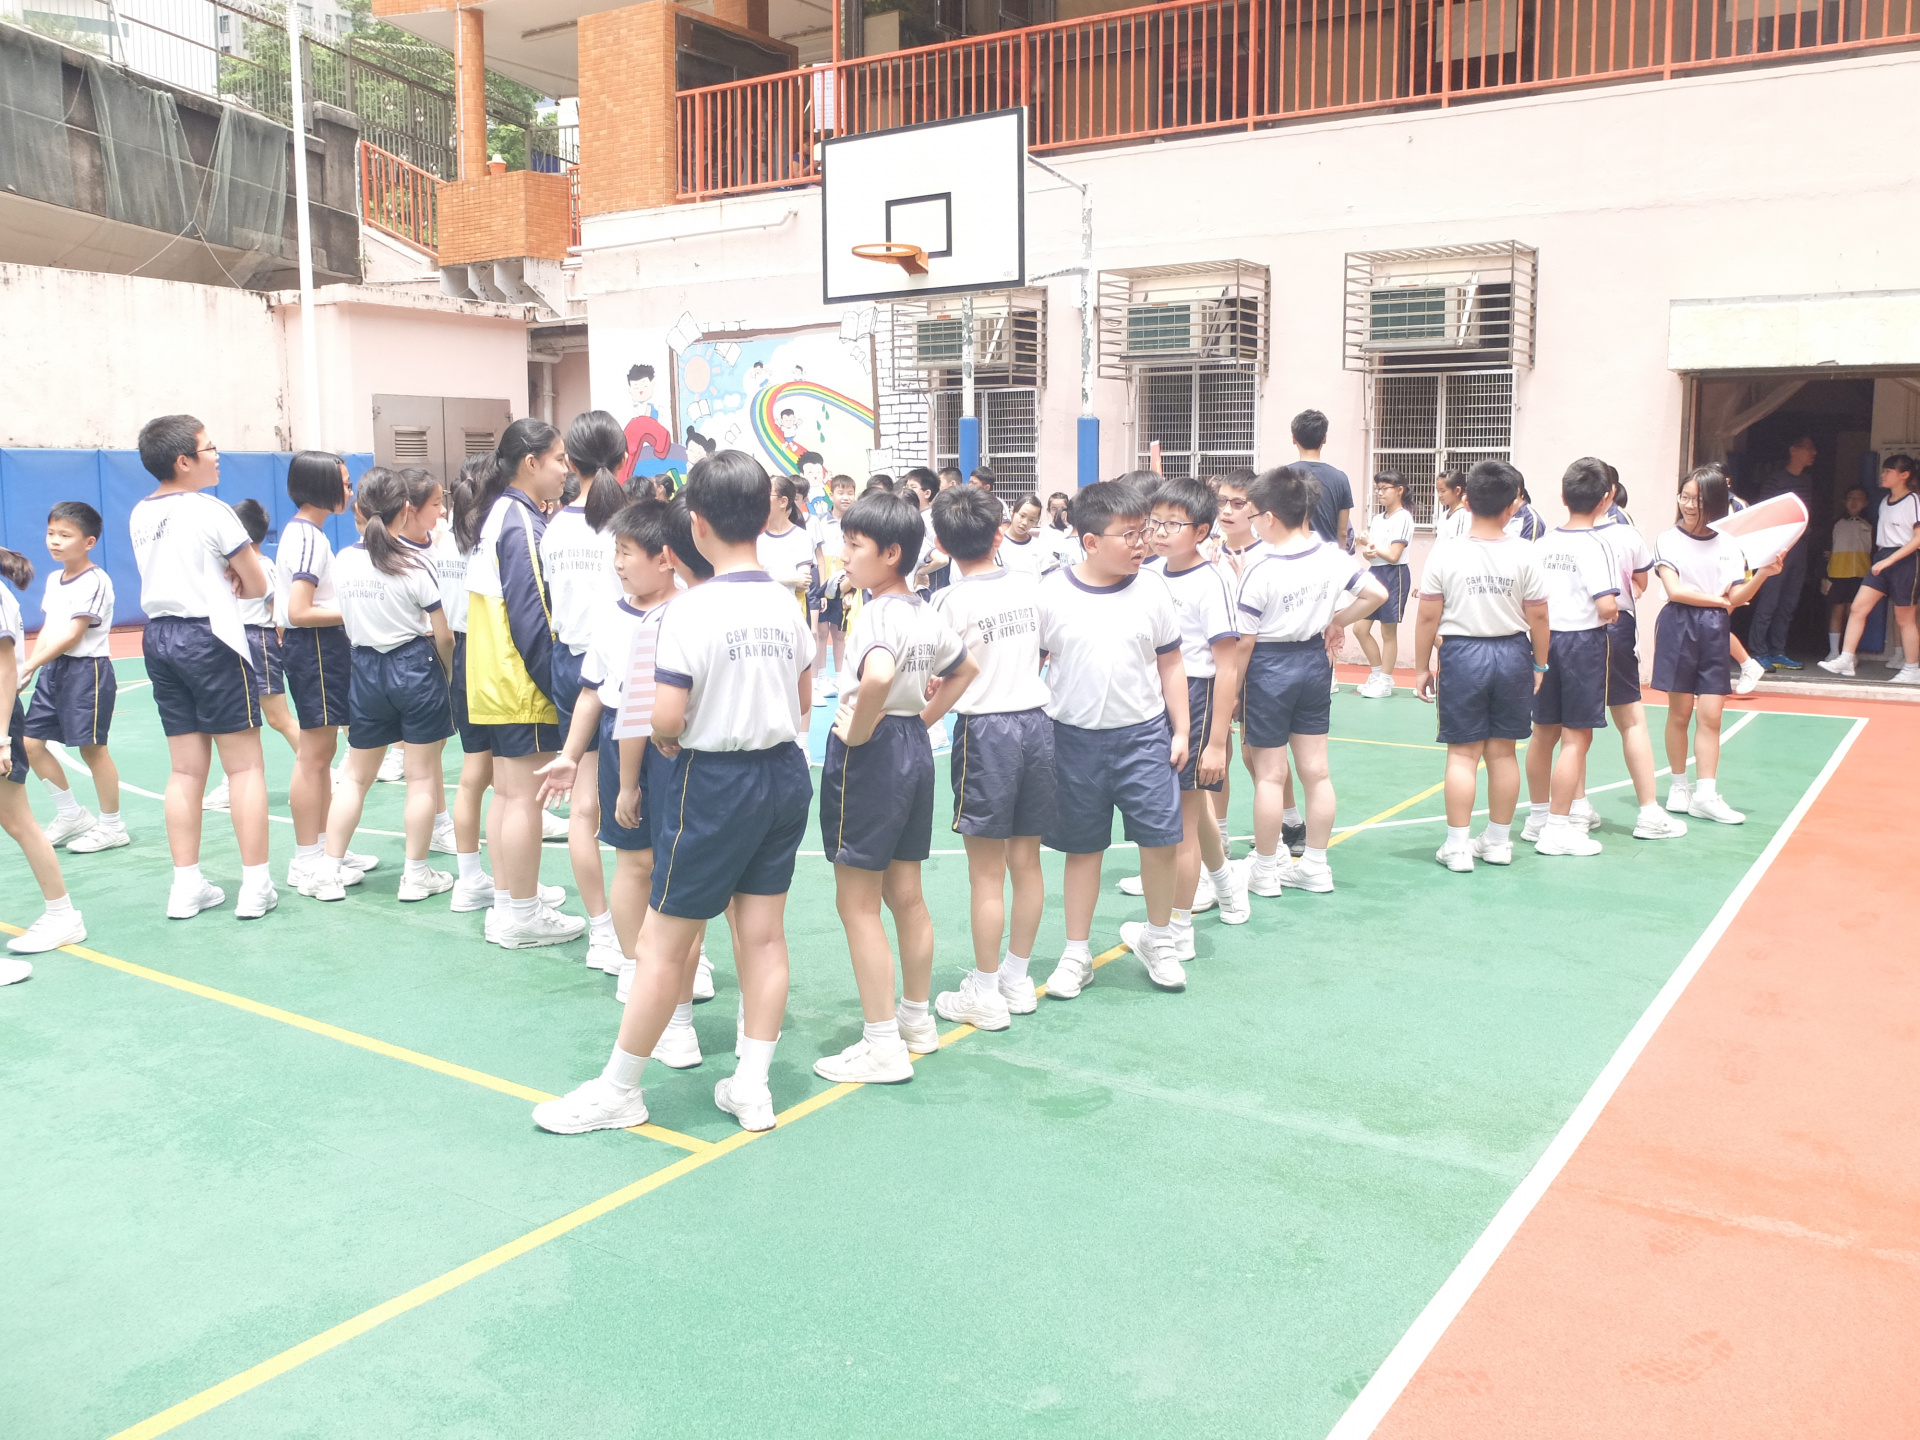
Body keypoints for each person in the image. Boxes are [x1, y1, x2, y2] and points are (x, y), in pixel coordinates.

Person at [532, 450, 815, 1137]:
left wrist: (666, 739)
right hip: (783, 775)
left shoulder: (688, 612)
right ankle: (752, 1085)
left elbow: (663, 715)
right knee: (763, 937)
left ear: (698, 524)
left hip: (713, 781)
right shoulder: (785, 602)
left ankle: (619, 1090)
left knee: (661, 943)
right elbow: (805, 698)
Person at [813, 492, 977, 1084]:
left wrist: (859, 731)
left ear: (890, 553)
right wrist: (921, 721)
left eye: (854, 545)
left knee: (856, 903)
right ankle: (915, 1019)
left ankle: (882, 1043)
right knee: (906, 894)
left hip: (873, 753)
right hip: (911, 746)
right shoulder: (924, 611)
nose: (844, 555)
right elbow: (964, 669)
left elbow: (878, 675)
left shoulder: (877, 613)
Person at [535, 499, 693, 1020]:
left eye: (626, 553)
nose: (617, 564)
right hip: (620, 741)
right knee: (634, 860)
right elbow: (592, 693)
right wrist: (569, 755)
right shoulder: (610, 615)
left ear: (665, 558)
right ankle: (633, 961)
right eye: (616, 552)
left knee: (681, 862)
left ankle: (686, 960)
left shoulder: (691, 611)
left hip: (677, 745)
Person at [1036, 481, 1189, 996]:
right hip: (1072, 740)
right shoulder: (1051, 592)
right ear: (1090, 542)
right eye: (1129, 534)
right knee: (1082, 848)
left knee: (1160, 841)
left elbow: (1171, 662)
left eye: (1144, 531)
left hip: (1144, 737)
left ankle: (1159, 938)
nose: (1142, 542)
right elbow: (1033, 663)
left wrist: (1181, 730)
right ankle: (1076, 953)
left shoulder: (1153, 589)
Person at [129, 414, 276, 919]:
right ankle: (255, 886)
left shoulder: (140, 513)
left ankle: (186, 886)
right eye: (209, 448)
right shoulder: (211, 510)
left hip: (159, 638)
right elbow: (257, 585)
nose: (217, 456)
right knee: (245, 766)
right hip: (210, 637)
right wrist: (234, 575)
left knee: (185, 770)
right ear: (184, 461)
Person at [929, 486, 1056, 1029]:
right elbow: (1046, 646)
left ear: (940, 544)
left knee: (986, 873)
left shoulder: (949, 601)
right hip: (1037, 724)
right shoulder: (1031, 585)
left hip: (985, 732)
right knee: (1026, 863)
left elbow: (935, 672)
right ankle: (1017, 978)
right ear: (1000, 533)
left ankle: (984, 991)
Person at [459, 417, 587, 948]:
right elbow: (532, 614)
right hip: (519, 680)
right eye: (559, 459)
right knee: (522, 800)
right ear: (531, 463)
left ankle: (510, 900)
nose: (566, 470)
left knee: (508, 796)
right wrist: (558, 689)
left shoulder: (503, 514)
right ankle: (522, 915)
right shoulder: (520, 523)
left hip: (493, 676)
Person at [300, 467, 455, 903]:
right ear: (405, 509)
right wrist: (445, 675)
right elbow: (443, 635)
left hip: (365, 669)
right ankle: (415, 875)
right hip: (415, 666)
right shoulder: (416, 562)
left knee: (354, 777)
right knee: (421, 778)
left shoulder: (344, 560)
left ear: (359, 510)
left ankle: (328, 871)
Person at [1232, 467, 1385, 896]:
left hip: (1268, 665)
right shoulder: (1332, 556)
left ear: (1269, 518)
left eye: (1253, 515)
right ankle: (1315, 866)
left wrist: (1233, 692)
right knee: (1317, 772)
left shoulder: (1260, 565)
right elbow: (1376, 594)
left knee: (1269, 775)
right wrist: (1338, 621)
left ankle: (1265, 871)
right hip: (1314, 663)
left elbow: (1244, 643)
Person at [1411, 460, 1551, 874]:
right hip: (1512, 654)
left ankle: (1457, 847)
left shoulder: (1446, 551)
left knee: (1462, 754)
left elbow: (1427, 616)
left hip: (1463, 654)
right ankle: (1498, 842)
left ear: (1467, 501)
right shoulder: (1526, 552)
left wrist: (1420, 667)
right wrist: (1540, 664)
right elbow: (1540, 616)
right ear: (1513, 506)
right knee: (1503, 753)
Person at [1138, 477, 1249, 953]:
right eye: (1155, 522)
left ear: (1202, 531)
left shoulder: (1212, 581)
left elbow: (1228, 665)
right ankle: (1224, 881)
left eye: (1173, 524)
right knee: (1192, 805)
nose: (1160, 532)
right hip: (1153, 699)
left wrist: (1218, 742)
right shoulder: (1149, 574)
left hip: (1196, 697)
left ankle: (1178, 929)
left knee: (1180, 820)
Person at [539, 412, 628, 971]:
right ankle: (645, 935)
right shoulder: (632, 525)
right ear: (624, 458)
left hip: (572, 666)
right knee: (644, 807)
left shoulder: (553, 530)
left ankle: (602, 932)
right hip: (627, 670)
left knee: (583, 810)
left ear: (569, 461)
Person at [1653, 466, 1782, 824]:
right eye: (1684, 497)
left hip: (1714, 628)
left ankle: (1706, 795)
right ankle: (1679, 786)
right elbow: (1675, 590)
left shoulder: (1729, 544)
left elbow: (1736, 596)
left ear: (1714, 502)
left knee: (1711, 714)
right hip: (1679, 624)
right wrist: (1719, 602)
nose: (1688, 505)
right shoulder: (1668, 539)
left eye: (1696, 499)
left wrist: (1764, 574)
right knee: (1679, 713)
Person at [1519, 459, 1621, 858]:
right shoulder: (1598, 545)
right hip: (1582, 644)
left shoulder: (1542, 544)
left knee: (1543, 733)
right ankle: (1558, 828)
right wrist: (1612, 613)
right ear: (1607, 498)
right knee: (1576, 738)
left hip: (1543, 641)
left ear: (1563, 496)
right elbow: (1607, 604)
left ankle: (1537, 818)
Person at [1584, 467, 1689, 841]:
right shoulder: (1626, 534)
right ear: (1610, 493)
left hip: (1569, 634)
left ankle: (1573, 810)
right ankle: (1648, 813)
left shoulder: (1554, 539)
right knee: (1631, 721)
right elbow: (1641, 582)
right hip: (1615, 626)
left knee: (1573, 727)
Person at [17, 501, 123, 853]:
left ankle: (112, 826)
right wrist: (32, 666)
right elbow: (50, 628)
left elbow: (73, 635)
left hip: (87, 672)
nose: (55, 541)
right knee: (30, 744)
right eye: (51, 533)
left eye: (65, 535)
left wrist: (29, 665)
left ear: (89, 542)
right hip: (55, 670)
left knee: (92, 750)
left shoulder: (95, 581)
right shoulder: (54, 579)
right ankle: (71, 815)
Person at [1819, 454, 1920, 684]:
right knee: (1858, 608)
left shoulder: (1913, 500)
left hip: (1905, 559)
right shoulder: (1885, 501)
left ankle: (1912, 668)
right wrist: (1882, 559)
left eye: (1888, 471)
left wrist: (1890, 560)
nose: (1883, 475)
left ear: (1904, 475)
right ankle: (1846, 658)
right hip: (1883, 557)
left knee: (1905, 617)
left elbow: (1917, 538)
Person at [1745, 434, 1818, 670]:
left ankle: (1778, 651)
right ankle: (1758, 652)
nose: (1814, 453)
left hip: (1800, 546)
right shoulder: (1775, 480)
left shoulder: (1807, 480)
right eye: (1808, 448)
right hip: (1777, 548)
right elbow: (1764, 514)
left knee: (1788, 603)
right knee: (1769, 600)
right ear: (1793, 450)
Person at [1353, 471, 1414, 699]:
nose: (1380, 493)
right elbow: (1373, 554)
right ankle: (1377, 674)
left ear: (1399, 490)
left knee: (1388, 632)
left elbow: (1394, 555)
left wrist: (1370, 543)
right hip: (1375, 573)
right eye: (1378, 488)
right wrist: (1367, 550)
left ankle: (1386, 681)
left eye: (1384, 488)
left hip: (1394, 575)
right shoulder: (1378, 519)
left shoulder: (1403, 518)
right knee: (1359, 628)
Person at [810, 473, 857, 697]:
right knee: (821, 631)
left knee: (839, 632)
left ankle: (840, 677)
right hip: (824, 581)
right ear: (831, 495)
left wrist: (851, 587)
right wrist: (820, 587)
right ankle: (821, 678)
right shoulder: (819, 522)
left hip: (845, 582)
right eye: (841, 493)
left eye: (850, 493)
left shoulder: (857, 523)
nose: (846, 497)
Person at [1822, 486, 1874, 661]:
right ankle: (1833, 651)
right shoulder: (1835, 523)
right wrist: (1823, 576)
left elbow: (1875, 551)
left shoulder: (1870, 524)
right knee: (1837, 610)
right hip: (1837, 573)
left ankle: (1850, 653)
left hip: (1861, 575)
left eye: (1859, 498)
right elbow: (1823, 550)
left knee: (1854, 613)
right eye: (1850, 497)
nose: (1854, 502)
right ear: (1844, 501)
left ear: (1865, 503)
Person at [759, 474, 816, 627]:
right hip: (760, 613)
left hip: (790, 615)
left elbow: (803, 581)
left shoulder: (801, 537)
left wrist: (765, 577)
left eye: (767, 493)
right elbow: (751, 578)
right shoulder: (754, 536)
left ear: (783, 501)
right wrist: (789, 579)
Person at [995, 493, 1059, 577]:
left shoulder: (1039, 546)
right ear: (1012, 511)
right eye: (1022, 516)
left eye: (1031, 520)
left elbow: (1044, 576)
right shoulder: (997, 544)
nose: (1025, 523)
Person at [1434, 470, 1471, 540]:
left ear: (1457, 490)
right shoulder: (1443, 516)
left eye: (1443, 491)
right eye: (1438, 491)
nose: (1439, 495)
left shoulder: (1465, 516)